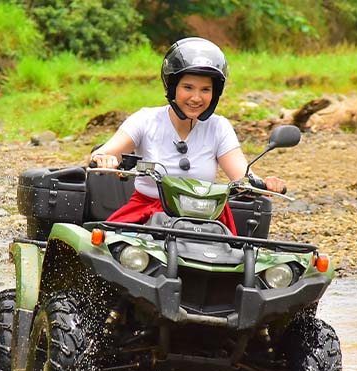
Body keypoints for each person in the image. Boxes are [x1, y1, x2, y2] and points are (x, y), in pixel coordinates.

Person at [90, 37, 286, 235]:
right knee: (112, 247)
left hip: (205, 218)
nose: (196, 98)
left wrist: (266, 183)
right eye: (188, 87)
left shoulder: (219, 126)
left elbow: (242, 176)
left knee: (237, 258)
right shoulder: (146, 120)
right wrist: (105, 158)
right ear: (172, 87)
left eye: (205, 90)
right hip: (147, 212)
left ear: (215, 93)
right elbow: (109, 150)